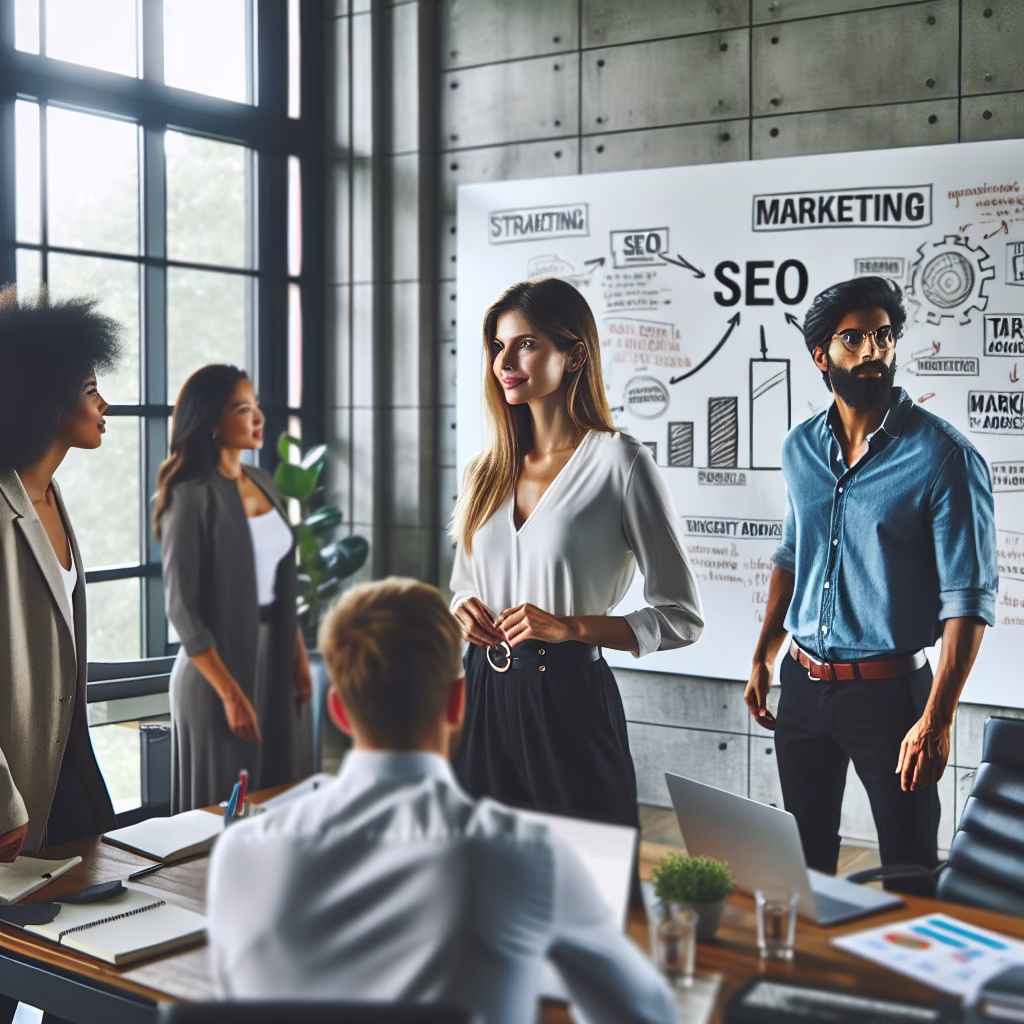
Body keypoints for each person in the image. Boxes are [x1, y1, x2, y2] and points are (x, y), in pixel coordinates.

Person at [207, 577, 676, 1024]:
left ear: (339, 711)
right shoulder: (532, 858)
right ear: (458, 701)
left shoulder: (240, 855)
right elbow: (644, 1013)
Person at [744, 276, 998, 896]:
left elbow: (969, 601)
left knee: (909, 871)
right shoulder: (800, 447)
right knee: (802, 869)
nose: (871, 352)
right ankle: (806, 984)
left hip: (893, 699)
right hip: (804, 687)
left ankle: (918, 991)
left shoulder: (945, 457)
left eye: (882, 337)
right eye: (852, 339)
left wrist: (937, 719)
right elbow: (793, 551)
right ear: (820, 357)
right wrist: (764, 651)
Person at [449, 278, 703, 834]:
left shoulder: (620, 463)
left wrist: (570, 628)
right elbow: (464, 583)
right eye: (497, 346)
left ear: (576, 353)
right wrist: (463, 606)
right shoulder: (482, 471)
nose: (505, 361)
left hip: (568, 699)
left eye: (527, 344)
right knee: (480, 881)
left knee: (587, 883)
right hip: (482, 695)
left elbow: (682, 617)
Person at [0, 286, 121, 1024]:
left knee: (86, 962)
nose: (103, 404)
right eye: (88, 390)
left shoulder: (54, 498)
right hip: (11, 787)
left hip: (65, 770)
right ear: (46, 402)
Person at [155, 365, 312, 814]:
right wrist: (230, 694)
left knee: (278, 799)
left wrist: (298, 658)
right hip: (214, 676)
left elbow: (278, 587)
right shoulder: (188, 495)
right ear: (211, 421)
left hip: (274, 659)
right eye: (244, 410)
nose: (259, 418)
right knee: (220, 813)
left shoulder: (263, 482)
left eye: (257, 406)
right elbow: (181, 610)